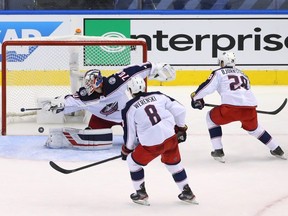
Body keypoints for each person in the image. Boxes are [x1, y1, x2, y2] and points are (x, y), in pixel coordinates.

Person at [43, 62, 176, 150]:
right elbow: (71, 100)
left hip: (125, 117)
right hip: (100, 118)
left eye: (91, 83)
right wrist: (58, 104)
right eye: (87, 83)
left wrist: (155, 67)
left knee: (137, 143)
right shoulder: (85, 96)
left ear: (98, 81)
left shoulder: (116, 82)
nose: (88, 86)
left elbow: (134, 71)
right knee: (92, 139)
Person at [190, 51, 286, 163]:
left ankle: (218, 150)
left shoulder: (219, 72)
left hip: (230, 110)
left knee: (210, 118)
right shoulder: (243, 74)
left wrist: (196, 98)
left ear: (222, 62)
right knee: (255, 129)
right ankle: (277, 149)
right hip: (250, 109)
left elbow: (206, 87)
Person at [121, 76, 198, 206]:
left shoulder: (129, 108)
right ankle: (187, 193)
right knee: (174, 165)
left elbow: (130, 133)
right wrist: (180, 127)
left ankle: (141, 194)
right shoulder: (158, 95)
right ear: (144, 87)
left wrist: (127, 149)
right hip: (170, 138)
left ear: (130, 90)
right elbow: (180, 110)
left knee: (132, 162)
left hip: (151, 145)